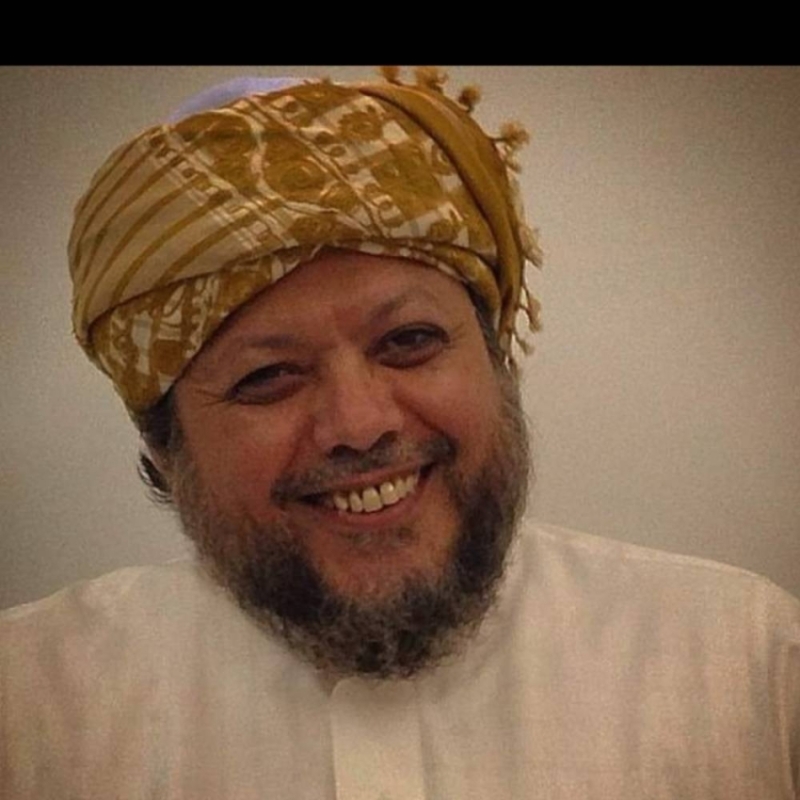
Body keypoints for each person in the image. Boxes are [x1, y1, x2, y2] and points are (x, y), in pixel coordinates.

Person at [1, 69, 798, 799]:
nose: (360, 424)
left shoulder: (747, 668)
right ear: (162, 449)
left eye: (409, 341)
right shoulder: (33, 710)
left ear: (498, 363)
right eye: (267, 377)